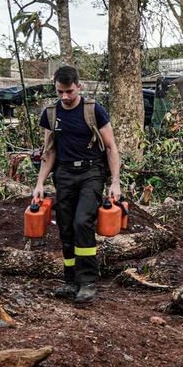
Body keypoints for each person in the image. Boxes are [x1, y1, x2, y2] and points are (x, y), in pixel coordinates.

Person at [32, 65, 122, 303]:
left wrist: (115, 182)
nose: (65, 97)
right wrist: (39, 183)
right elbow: (48, 152)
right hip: (63, 175)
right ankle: (70, 281)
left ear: (79, 87)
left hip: (91, 173)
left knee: (83, 222)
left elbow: (111, 147)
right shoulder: (51, 114)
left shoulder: (94, 111)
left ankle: (88, 282)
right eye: (60, 91)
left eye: (69, 91)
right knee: (66, 227)